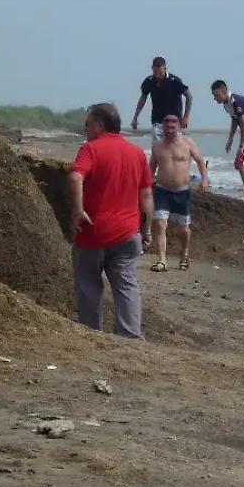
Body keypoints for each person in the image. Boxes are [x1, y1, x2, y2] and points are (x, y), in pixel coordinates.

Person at [67, 103, 154, 339]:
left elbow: (75, 178)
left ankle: (92, 333)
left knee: (89, 285)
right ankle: (131, 336)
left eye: (87, 124)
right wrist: (146, 231)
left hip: (94, 231)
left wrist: (77, 211)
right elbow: (146, 195)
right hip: (128, 233)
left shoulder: (91, 149)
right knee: (126, 286)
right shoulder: (137, 153)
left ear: (100, 125)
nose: (86, 128)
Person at [148, 114, 210, 272]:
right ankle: (162, 260)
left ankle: (184, 254)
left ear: (178, 126)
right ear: (163, 127)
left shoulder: (188, 143)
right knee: (160, 224)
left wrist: (204, 180)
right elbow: (151, 168)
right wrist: (145, 186)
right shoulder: (157, 146)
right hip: (162, 190)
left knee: (184, 229)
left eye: (173, 126)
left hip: (182, 192)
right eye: (167, 126)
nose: (170, 129)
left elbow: (200, 161)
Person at [131, 56, 192, 142]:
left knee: (175, 146)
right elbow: (143, 99)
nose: (157, 75)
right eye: (155, 72)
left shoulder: (174, 81)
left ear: (165, 68)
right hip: (158, 121)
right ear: (152, 68)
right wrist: (135, 117)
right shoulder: (149, 81)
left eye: (159, 72)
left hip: (174, 121)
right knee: (158, 146)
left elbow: (189, 96)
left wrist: (186, 117)